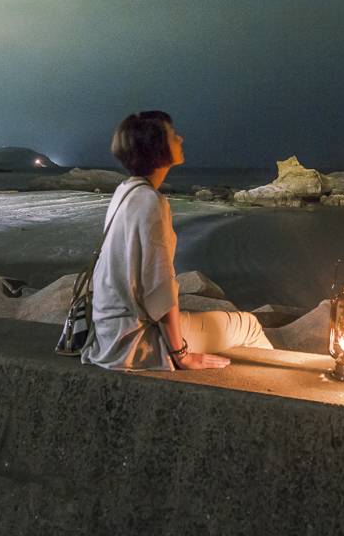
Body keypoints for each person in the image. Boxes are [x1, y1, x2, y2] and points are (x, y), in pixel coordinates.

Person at [81, 110, 273, 371]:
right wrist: (181, 355)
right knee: (249, 325)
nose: (180, 139)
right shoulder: (152, 202)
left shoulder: (124, 191)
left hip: (108, 332)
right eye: (173, 136)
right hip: (133, 342)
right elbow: (158, 289)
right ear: (156, 147)